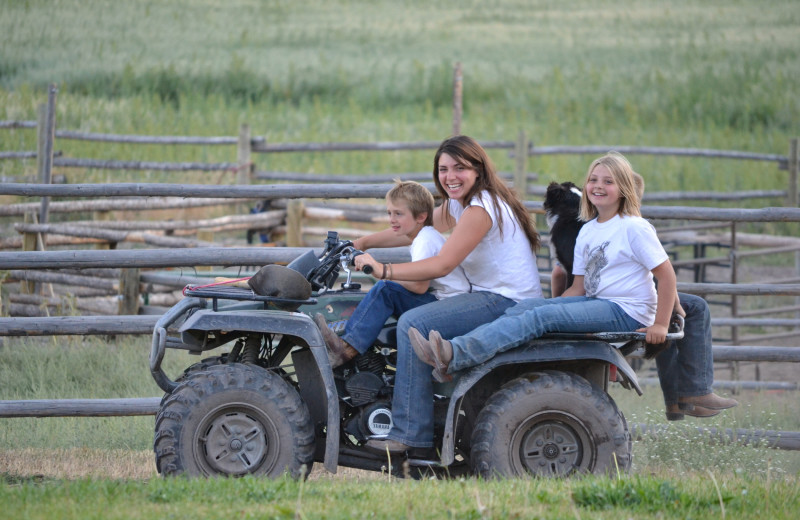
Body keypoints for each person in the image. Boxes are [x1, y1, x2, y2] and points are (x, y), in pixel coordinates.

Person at [410, 152, 680, 384]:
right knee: (529, 308)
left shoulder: (633, 226)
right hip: (600, 303)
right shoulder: (589, 231)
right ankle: (456, 360)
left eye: (608, 182)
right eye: (593, 180)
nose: (598, 186)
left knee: (541, 318)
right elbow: (578, 288)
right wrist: (552, 307)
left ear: (623, 189)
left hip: (627, 310)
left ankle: (455, 354)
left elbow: (666, 275)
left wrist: (660, 324)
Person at [351, 135, 542, 453]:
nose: (450, 176)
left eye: (459, 168)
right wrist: (364, 242)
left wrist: (381, 270)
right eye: (443, 169)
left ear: (478, 170)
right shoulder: (460, 204)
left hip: (506, 300)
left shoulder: (482, 208)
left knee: (415, 323)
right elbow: (412, 228)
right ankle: (350, 354)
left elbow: (441, 265)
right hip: (483, 294)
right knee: (392, 296)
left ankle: (410, 434)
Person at [549, 173, 737, 420]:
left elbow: (558, 274)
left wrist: (555, 306)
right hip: (617, 301)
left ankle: (682, 399)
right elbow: (652, 274)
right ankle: (690, 394)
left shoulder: (572, 227)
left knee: (669, 311)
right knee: (690, 309)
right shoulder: (623, 225)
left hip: (601, 297)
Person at [313, 180, 470, 367]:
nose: (392, 220)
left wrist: (383, 273)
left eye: (398, 214)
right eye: (389, 213)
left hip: (445, 306)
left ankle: (346, 347)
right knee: (388, 287)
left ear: (421, 217)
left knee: (385, 289)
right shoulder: (425, 236)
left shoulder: (424, 240)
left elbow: (419, 286)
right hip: (443, 301)